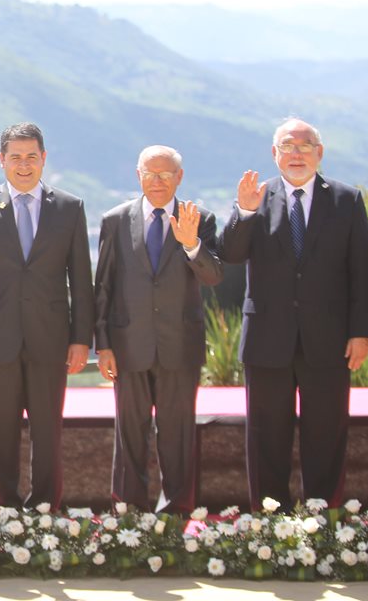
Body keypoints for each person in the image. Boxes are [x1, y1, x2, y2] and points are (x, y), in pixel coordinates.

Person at [218, 118, 368, 509]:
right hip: (268, 340)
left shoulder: (345, 200)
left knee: (326, 434)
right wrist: (244, 212)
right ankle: (271, 524)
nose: (297, 153)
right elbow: (230, 256)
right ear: (275, 154)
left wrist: (362, 333)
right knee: (266, 437)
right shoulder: (256, 197)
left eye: (306, 146)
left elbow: (361, 271)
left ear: (319, 153)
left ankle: (323, 523)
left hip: (329, 340)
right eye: (288, 146)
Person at [0, 122, 94, 509]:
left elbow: (81, 278)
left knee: (48, 433)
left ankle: (46, 511)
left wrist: (81, 339)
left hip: (51, 339)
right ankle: (1, 512)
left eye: (30, 157)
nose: (23, 165)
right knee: (0, 433)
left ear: (43, 159)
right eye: (15, 157)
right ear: (1, 160)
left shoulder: (69, 207)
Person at [93, 145, 223, 513]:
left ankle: (177, 517)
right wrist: (102, 344)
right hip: (128, 345)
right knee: (129, 435)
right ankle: (129, 514)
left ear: (179, 177)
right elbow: (103, 286)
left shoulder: (200, 218)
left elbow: (214, 276)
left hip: (179, 347)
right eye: (150, 173)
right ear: (138, 176)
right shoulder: (115, 220)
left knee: (177, 436)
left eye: (165, 174)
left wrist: (191, 244)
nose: (157, 181)